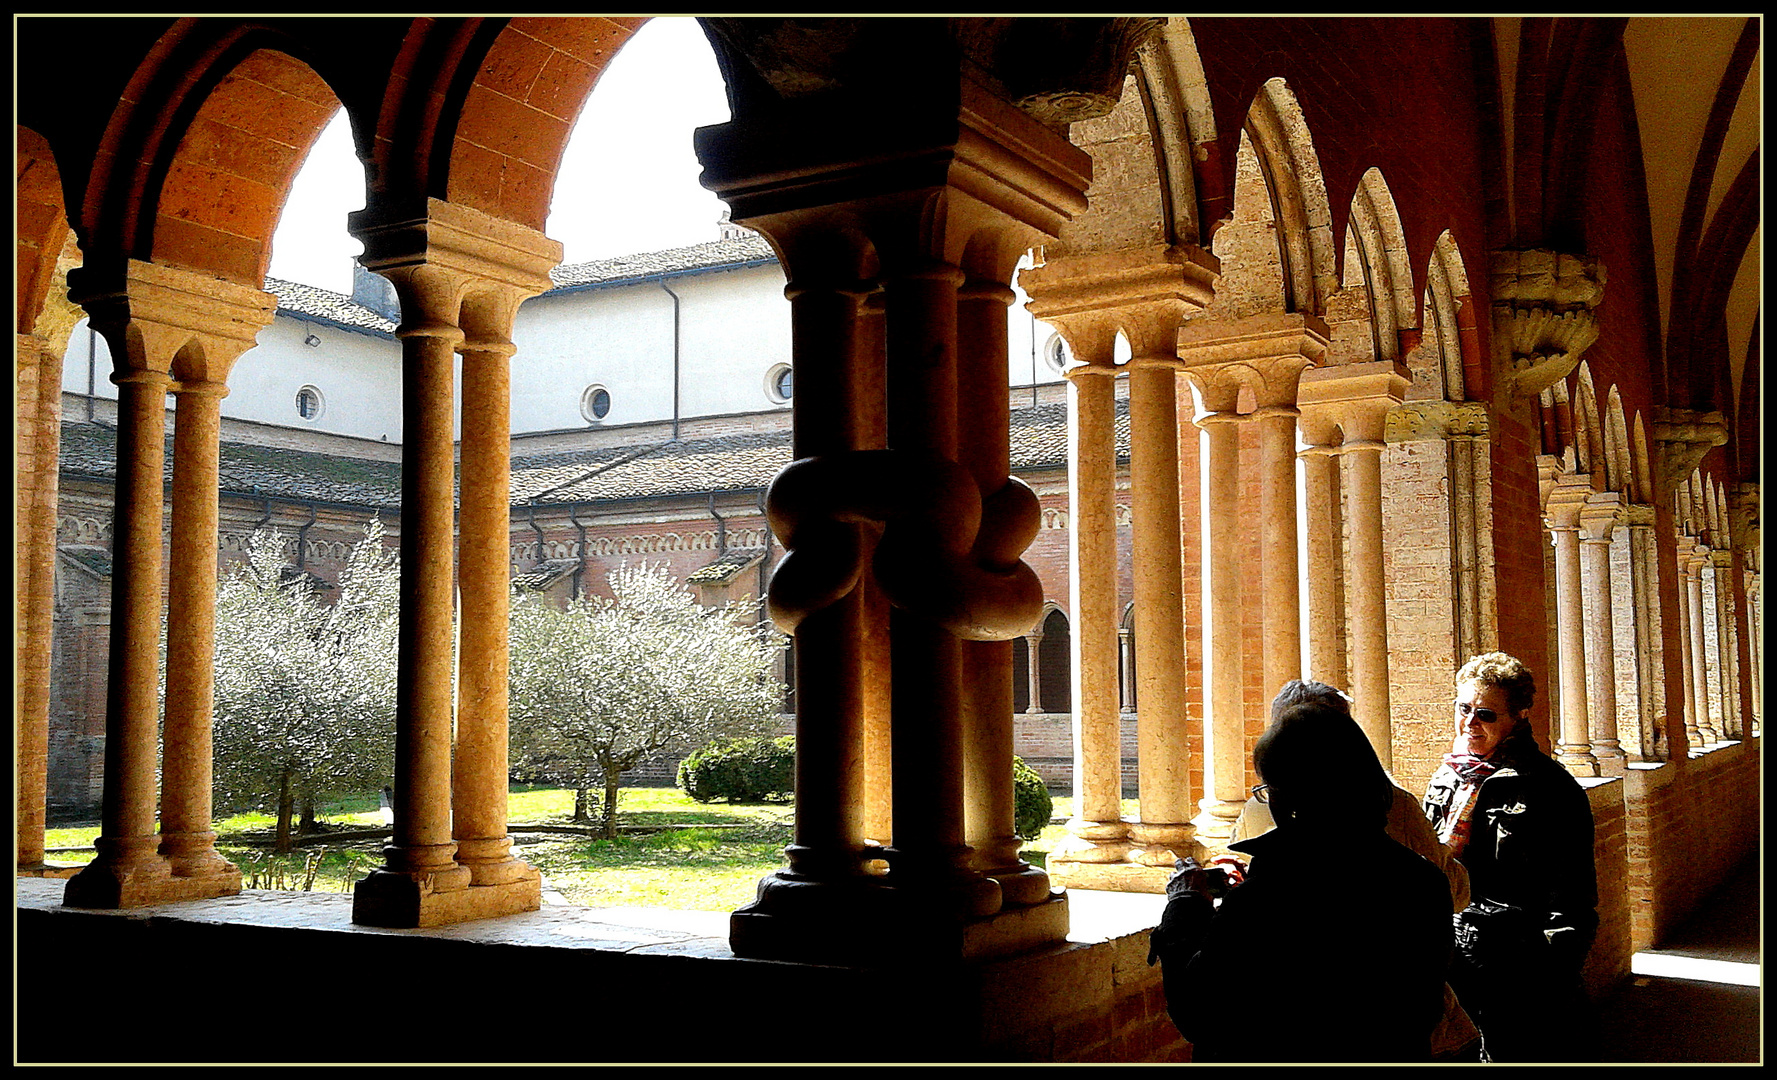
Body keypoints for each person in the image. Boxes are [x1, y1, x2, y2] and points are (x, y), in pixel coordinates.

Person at [1148, 697, 1453, 1062]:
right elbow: (1421, 1009)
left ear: (1289, 798)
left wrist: (1184, 907)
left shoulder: (1271, 898)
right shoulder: (1421, 881)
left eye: (1268, 788)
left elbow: (1200, 1011)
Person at [1227, 680, 1481, 1060]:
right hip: (1412, 1040)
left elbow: (1206, 1002)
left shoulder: (1258, 823)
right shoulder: (1402, 821)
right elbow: (1452, 896)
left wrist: (1185, 909)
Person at [1422, 652, 1599, 1063]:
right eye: (1463, 709)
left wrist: (1551, 974)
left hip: (1516, 968)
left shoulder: (1548, 788)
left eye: (1485, 713)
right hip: (1450, 957)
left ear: (1517, 717)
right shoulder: (1448, 775)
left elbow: (1571, 896)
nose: (1470, 723)